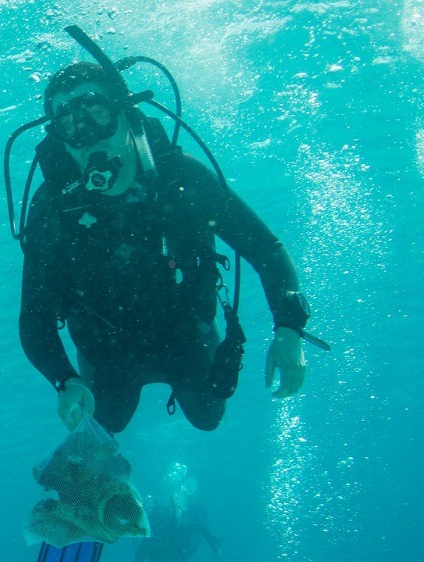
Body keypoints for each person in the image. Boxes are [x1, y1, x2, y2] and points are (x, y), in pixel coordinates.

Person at [17, 47, 316, 435]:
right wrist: (65, 380)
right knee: (106, 425)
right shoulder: (54, 210)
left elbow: (266, 249)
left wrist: (289, 328)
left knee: (208, 416)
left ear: (125, 112)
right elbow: (34, 317)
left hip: (188, 335)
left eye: (96, 113)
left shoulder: (184, 180)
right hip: (107, 352)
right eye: (71, 124)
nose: (86, 135)